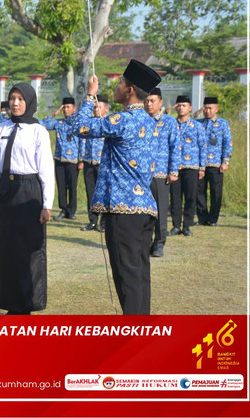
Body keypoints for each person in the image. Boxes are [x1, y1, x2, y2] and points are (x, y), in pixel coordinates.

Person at [72, 59, 160, 315]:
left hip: (124, 212)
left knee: (126, 277)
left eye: (121, 82)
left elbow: (79, 126)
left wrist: (90, 95)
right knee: (139, 275)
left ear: (130, 90)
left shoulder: (122, 119)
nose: (117, 86)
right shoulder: (148, 121)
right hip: (144, 209)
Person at [0, 83, 54, 315]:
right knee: (7, 249)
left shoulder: (39, 131)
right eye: (12, 98)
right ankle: (11, 303)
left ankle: (28, 303)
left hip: (29, 190)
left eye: (20, 99)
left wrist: (47, 204)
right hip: (6, 190)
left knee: (29, 250)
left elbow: (46, 169)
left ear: (29, 102)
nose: (15, 103)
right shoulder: (0, 129)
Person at [144, 88, 181, 257]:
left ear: (160, 102)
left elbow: (175, 147)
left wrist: (173, 171)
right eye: (146, 100)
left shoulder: (169, 122)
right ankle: (144, 242)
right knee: (142, 211)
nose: (149, 104)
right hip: (141, 175)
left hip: (160, 174)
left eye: (152, 101)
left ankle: (159, 243)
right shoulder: (140, 120)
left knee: (159, 210)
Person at [169, 95, 206, 237]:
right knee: (175, 197)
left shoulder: (197, 126)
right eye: (178, 105)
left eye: (184, 105)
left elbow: (203, 147)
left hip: (192, 166)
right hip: (175, 167)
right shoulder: (171, 124)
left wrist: (202, 167)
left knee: (191, 197)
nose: (181, 108)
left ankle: (187, 226)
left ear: (190, 108)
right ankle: (176, 225)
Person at [195, 96, 233, 226]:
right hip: (200, 164)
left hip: (216, 164)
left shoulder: (223, 124)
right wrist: (196, 114)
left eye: (210, 108)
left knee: (216, 192)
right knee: (199, 192)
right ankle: (202, 218)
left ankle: (213, 219)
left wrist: (225, 161)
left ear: (216, 109)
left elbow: (227, 143)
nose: (207, 111)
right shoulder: (198, 123)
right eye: (205, 108)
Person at [41, 97, 79, 220]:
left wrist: (82, 160)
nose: (66, 110)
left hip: (73, 160)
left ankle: (72, 210)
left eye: (69, 107)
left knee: (72, 186)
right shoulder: (58, 122)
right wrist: (54, 114)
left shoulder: (77, 123)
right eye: (64, 107)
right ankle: (63, 209)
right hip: (59, 158)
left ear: (74, 109)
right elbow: (42, 125)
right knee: (61, 186)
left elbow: (83, 141)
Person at [78, 94, 108, 231]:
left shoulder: (108, 123)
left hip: (103, 164)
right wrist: (82, 159)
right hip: (89, 162)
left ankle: (103, 222)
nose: (96, 110)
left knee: (103, 193)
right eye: (94, 107)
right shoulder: (89, 123)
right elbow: (83, 141)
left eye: (99, 107)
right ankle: (92, 220)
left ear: (106, 108)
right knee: (91, 191)